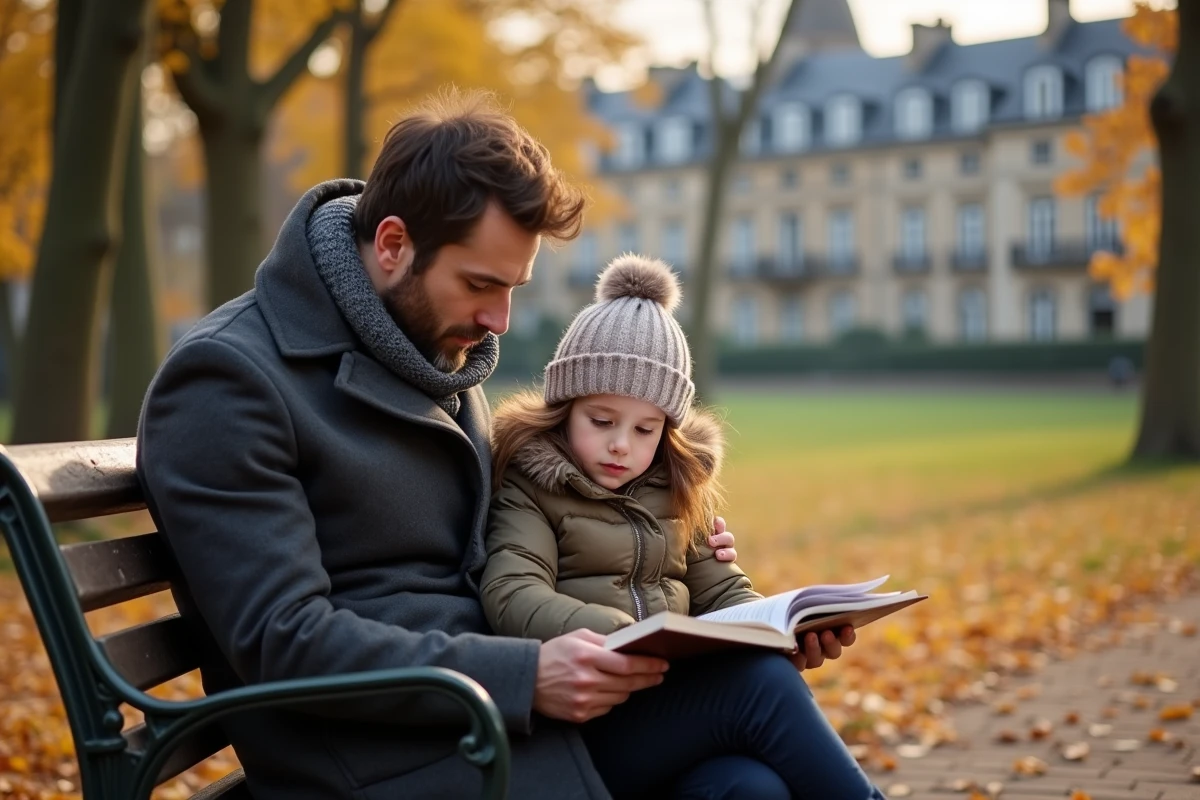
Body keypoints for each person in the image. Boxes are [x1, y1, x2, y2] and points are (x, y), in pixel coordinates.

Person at [135, 90, 813, 800]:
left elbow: (508, 543)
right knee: (753, 692)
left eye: (514, 287)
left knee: (744, 787)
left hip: (486, 720)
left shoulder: (430, 351)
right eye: (480, 284)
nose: (498, 319)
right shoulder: (228, 380)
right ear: (393, 245)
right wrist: (525, 676)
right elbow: (285, 640)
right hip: (379, 755)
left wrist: (664, 551)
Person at [481, 255, 886, 799]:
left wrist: (784, 631)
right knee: (759, 687)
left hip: (670, 714)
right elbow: (511, 591)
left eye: (646, 428)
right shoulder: (532, 486)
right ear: (564, 408)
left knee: (752, 787)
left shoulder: (675, 488)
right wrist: (622, 631)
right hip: (584, 727)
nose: (622, 444)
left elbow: (723, 592)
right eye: (601, 421)